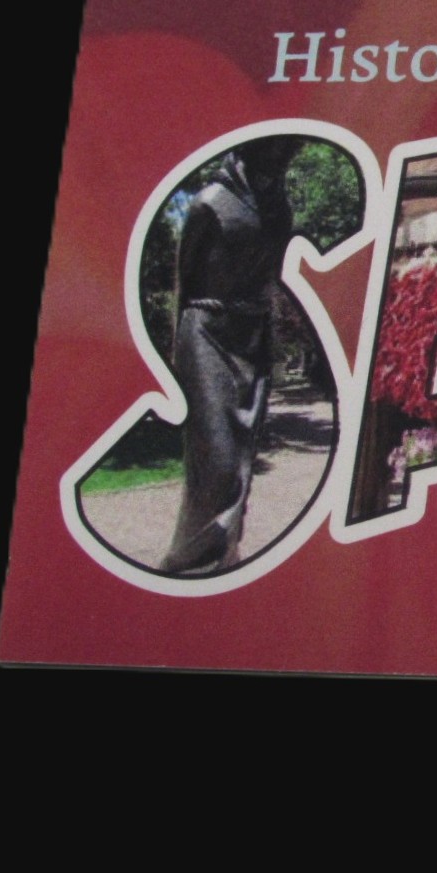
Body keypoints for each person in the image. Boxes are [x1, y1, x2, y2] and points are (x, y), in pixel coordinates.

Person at [161, 136, 301, 574]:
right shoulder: (210, 203)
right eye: (275, 153)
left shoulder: (279, 210)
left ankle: (223, 555)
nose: (281, 161)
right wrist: (175, 353)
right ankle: (186, 562)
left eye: (288, 155)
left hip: (250, 333)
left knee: (241, 460)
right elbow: (184, 280)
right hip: (206, 332)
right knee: (217, 458)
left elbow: (271, 276)